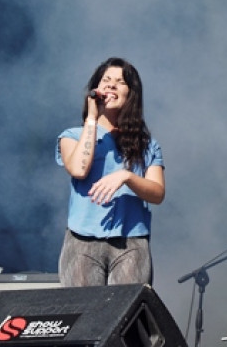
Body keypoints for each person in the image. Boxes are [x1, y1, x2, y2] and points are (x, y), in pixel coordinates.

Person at [56, 57, 166, 287]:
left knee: (127, 317)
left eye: (120, 82)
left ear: (131, 94)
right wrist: (92, 119)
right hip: (82, 241)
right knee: (85, 315)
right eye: (106, 80)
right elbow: (78, 169)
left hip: (131, 242)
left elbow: (157, 194)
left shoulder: (147, 145)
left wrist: (127, 177)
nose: (111, 85)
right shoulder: (72, 136)